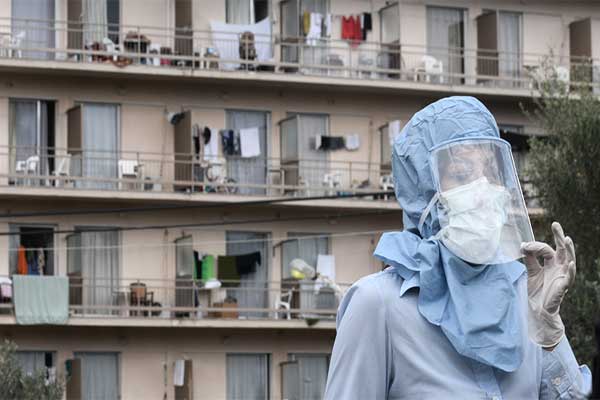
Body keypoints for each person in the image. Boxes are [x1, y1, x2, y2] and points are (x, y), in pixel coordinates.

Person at [324, 97, 591, 399]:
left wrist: (551, 336)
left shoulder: (526, 296)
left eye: (492, 172)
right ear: (424, 189)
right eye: (462, 174)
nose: (484, 189)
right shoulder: (377, 304)